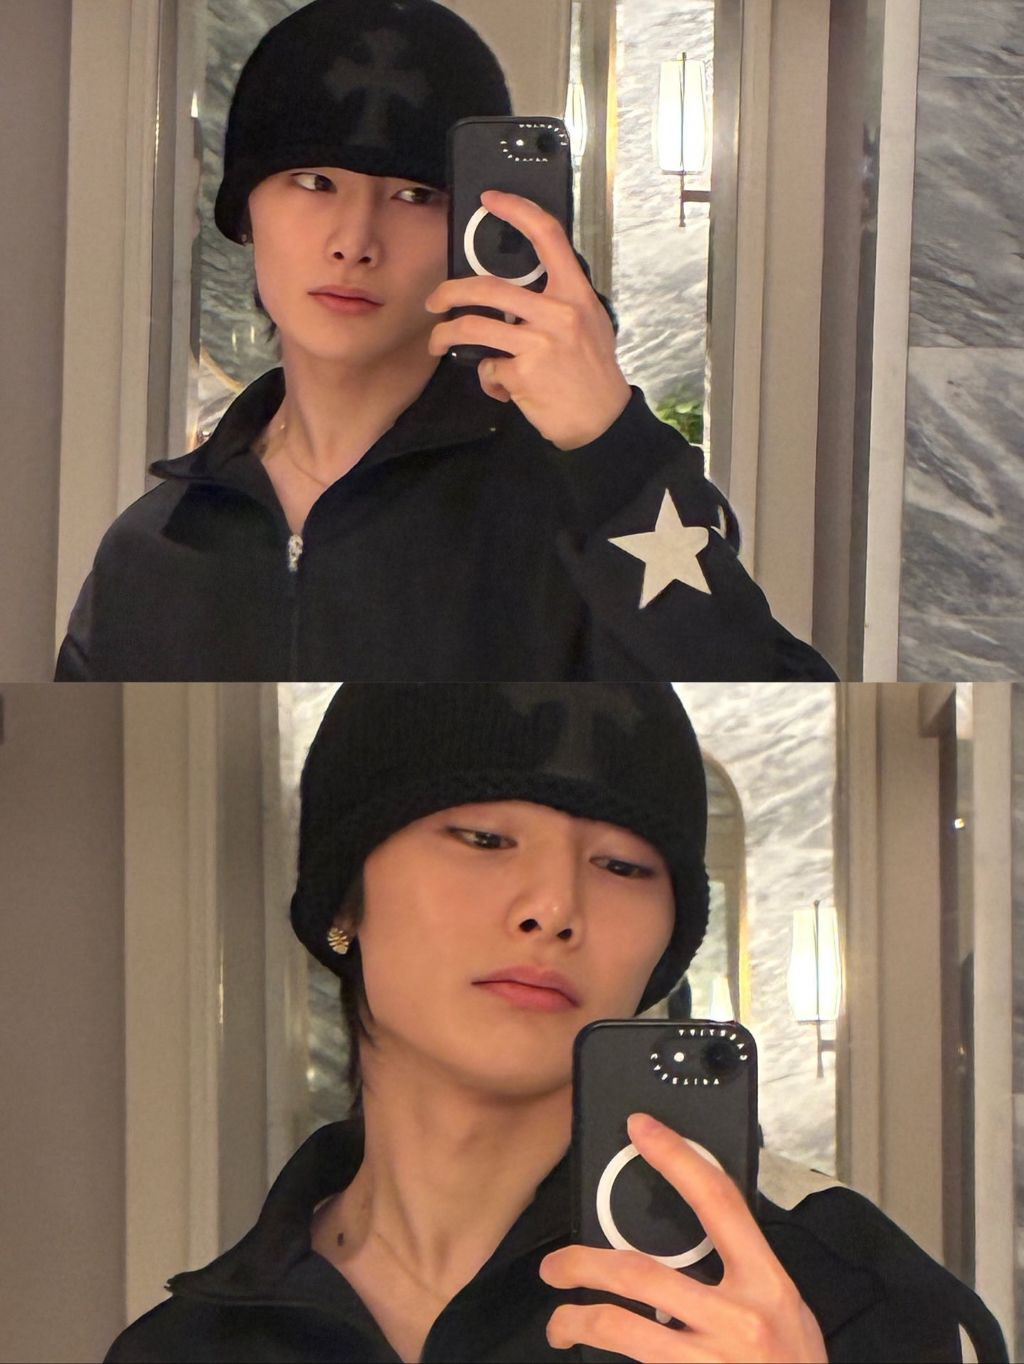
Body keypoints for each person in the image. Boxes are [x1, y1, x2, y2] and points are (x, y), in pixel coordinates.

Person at [104, 682, 1005, 1363]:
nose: (553, 908)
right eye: (484, 840)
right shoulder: (183, 1345)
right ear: (346, 896)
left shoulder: (832, 1294)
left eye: (622, 867)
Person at [56, 0, 836, 683]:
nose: (354, 241)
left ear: (471, 231)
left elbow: (776, 693)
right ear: (245, 212)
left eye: (413, 195)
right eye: (315, 183)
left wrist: (611, 448)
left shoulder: (574, 517)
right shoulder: (152, 549)